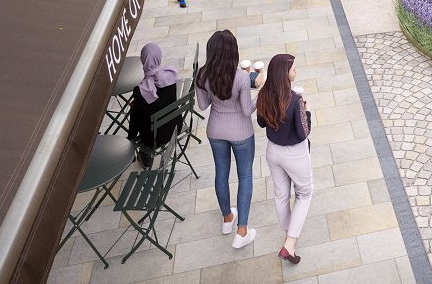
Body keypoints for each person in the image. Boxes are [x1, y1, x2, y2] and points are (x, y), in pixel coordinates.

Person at [195, 30, 262, 250]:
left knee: (221, 173)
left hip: (215, 130)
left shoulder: (202, 75)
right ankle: (242, 231)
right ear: (233, 52)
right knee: (245, 175)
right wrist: (259, 96)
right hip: (241, 132)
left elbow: (203, 105)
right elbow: (246, 110)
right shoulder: (242, 77)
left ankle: (226, 219)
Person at [256, 54, 314, 265]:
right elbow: (303, 132)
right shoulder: (296, 100)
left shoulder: (264, 94)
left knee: (281, 195)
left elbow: (262, 123)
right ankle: (289, 244)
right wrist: (306, 111)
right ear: (285, 73)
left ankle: (288, 237)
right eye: (294, 68)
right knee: (304, 194)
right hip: (295, 154)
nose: (296, 70)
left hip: (273, 152)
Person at [128, 42, 181, 168]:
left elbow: (139, 116)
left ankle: (132, 146)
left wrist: (136, 107)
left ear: (143, 61)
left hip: (154, 139)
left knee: (135, 112)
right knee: (141, 110)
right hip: (176, 126)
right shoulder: (170, 76)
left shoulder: (140, 90)